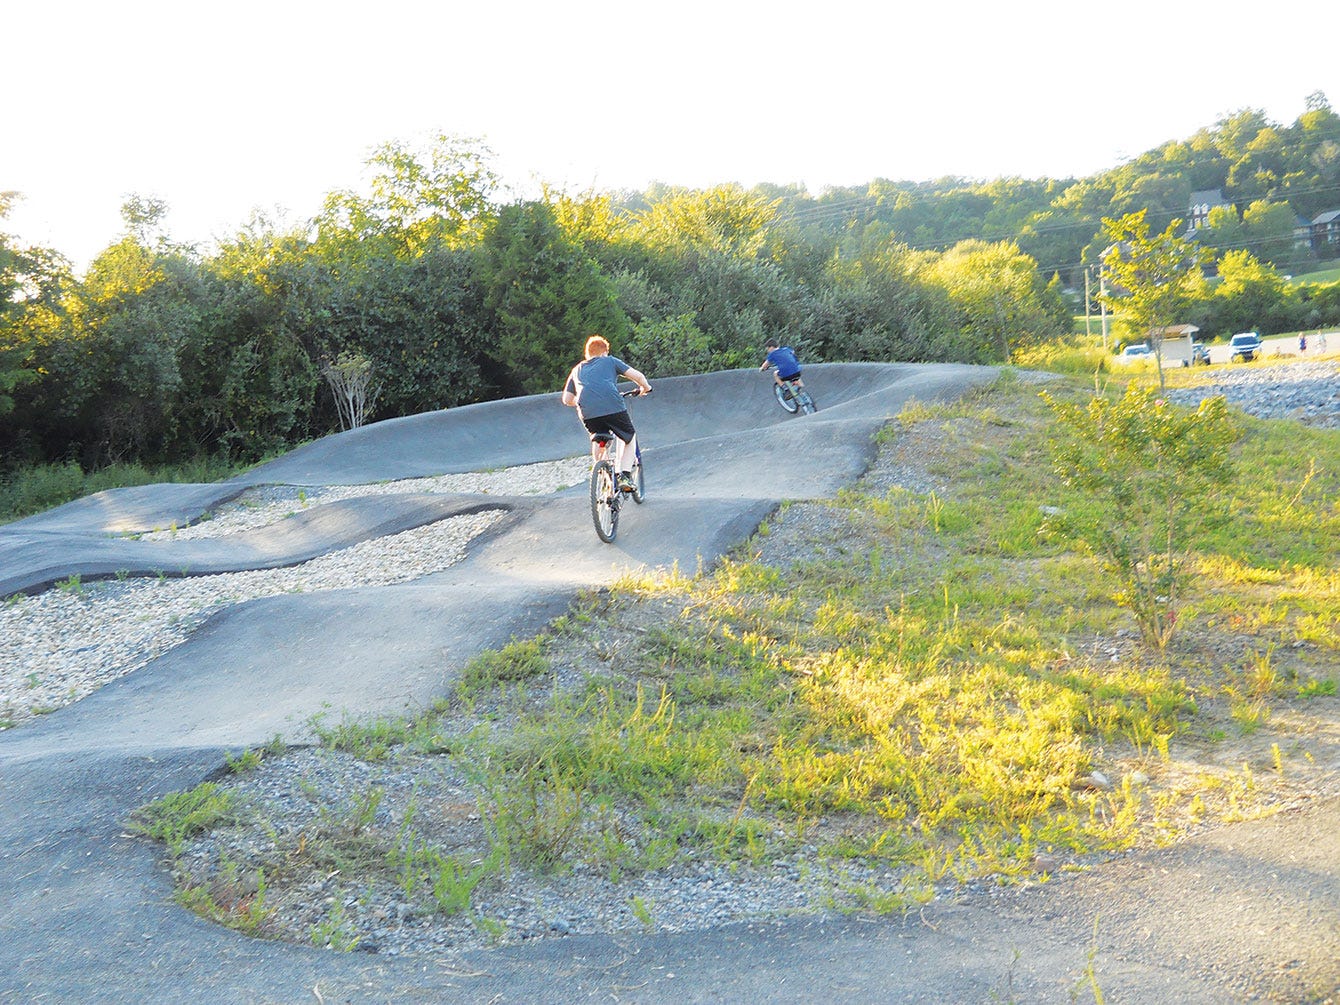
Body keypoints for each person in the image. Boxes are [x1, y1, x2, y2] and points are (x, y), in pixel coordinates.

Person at [561, 335, 651, 491]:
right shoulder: (610, 361)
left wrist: (583, 401)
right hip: (612, 406)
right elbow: (638, 376)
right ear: (604, 352)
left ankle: (601, 474)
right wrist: (645, 388)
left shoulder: (577, 369)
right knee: (629, 437)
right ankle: (624, 476)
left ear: (588, 353)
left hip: (588, 413)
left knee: (599, 438)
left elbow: (567, 399)